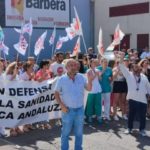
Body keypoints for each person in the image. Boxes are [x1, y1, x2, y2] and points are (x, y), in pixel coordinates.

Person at [54, 59, 94, 150]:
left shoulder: (81, 77)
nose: (73, 67)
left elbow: (89, 88)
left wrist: (90, 80)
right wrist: (62, 105)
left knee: (79, 133)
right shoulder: (61, 79)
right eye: (70, 65)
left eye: (74, 65)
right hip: (67, 110)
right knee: (65, 133)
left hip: (80, 109)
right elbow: (56, 93)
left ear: (77, 66)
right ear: (66, 67)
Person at [116, 51, 150, 136]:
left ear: (140, 70)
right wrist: (121, 58)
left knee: (142, 116)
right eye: (135, 70)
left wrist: (149, 95)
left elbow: (148, 87)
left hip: (143, 99)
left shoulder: (144, 77)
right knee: (131, 115)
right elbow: (121, 66)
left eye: (138, 70)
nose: (137, 71)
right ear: (132, 70)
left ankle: (142, 130)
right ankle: (129, 128)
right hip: (132, 99)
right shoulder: (129, 75)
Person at [85, 59, 102, 123]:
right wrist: (95, 74)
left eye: (95, 62)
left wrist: (98, 75)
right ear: (91, 63)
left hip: (98, 89)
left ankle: (98, 116)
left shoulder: (98, 70)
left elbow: (100, 79)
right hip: (91, 90)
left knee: (98, 103)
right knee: (90, 104)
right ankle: (89, 116)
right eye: (93, 62)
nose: (94, 64)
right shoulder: (88, 71)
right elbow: (90, 79)